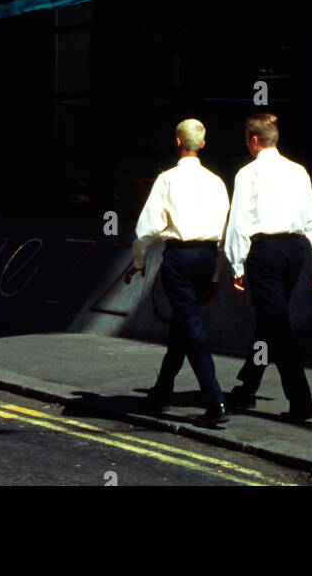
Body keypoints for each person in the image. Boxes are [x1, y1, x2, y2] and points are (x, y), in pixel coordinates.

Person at [224, 113, 312, 422]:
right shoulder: (298, 171)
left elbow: (238, 222)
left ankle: (301, 402)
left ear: (253, 140)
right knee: (270, 320)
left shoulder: (248, 173)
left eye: (246, 136)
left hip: (265, 253)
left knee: (278, 326)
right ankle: (247, 385)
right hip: (294, 253)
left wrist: (237, 263)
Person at [124, 118, 230, 427]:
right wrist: (214, 276)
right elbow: (223, 233)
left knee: (190, 326)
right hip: (207, 257)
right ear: (203, 144)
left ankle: (214, 399)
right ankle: (162, 390)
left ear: (177, 142)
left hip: (179, 259)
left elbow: (147, 229)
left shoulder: (167, 180)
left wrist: (139, 262)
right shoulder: (216, 182)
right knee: (183, 325)